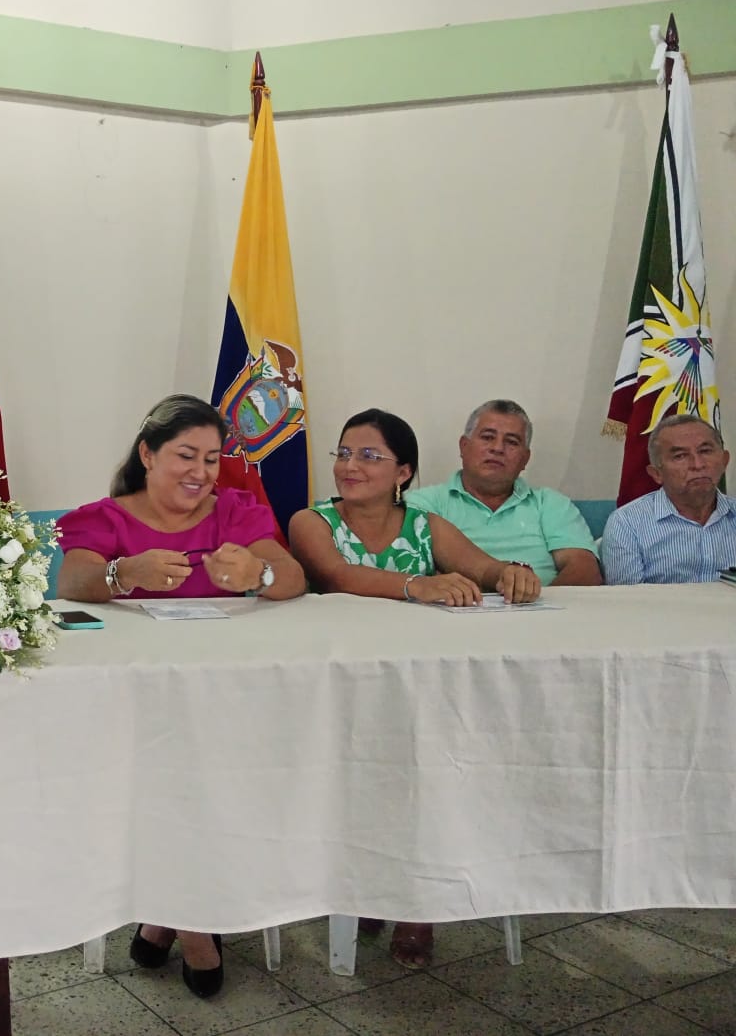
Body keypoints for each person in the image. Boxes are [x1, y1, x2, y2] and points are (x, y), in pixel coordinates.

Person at [56, 393, 305, 998]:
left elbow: (293, 579)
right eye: (186, 455)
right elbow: (73, 582)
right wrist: (123, 574)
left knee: (210, 774)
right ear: (147, 454)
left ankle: (165, 917)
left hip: (229, 705)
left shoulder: (236, 512)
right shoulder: (104, 518)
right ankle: (195, 925)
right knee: (174, 778)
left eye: (212, 459)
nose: (201, 472)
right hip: (134, 712)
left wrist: (259, 575)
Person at [287, 408, 540, 969]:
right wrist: (415, 585)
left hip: (421, 692)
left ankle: (417, 903)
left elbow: (482, 567)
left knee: (430, 773)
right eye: (344, 453)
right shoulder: (312, 521)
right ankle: (366, 885)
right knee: (361, 782)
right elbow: (339, 577)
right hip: (340, 693)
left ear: (403, 472)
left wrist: (510, 573)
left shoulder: (425, 525)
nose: (350, 466)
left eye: (369, 456)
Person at [404, 400, 602, 585]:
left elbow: (584, 570)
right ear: (464, 446)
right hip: (455, 606)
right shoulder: (423, 503)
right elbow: (408, 569)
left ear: (525, 459)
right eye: (487, 437)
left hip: (540, 605)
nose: (498, 448)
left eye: (512, 442)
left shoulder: (550, 504)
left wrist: (538, 605)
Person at [602, 414, 736, 584]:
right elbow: (628, 598)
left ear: (724, 461)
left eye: (705, 451)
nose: (697, 464)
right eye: (680, 456)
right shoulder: (627, 523)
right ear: (656, 474)